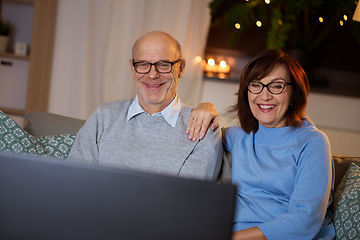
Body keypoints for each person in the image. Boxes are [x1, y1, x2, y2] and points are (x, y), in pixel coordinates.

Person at [188, 49, 335, 239]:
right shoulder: (238, 136)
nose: (264, 96)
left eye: (277, 86)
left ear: (294, 94)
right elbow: (197, 138)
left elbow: (305, 221)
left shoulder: (313, 142)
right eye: (256, 85)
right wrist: (206, 106)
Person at [68, 31, 222, 181]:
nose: (152, 75)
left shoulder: (204, 129)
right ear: (132, 68)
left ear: (181, 68)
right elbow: (75, 181)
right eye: (143, 64)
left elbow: (186, 199)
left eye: (163, 64)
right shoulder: (103, 117)